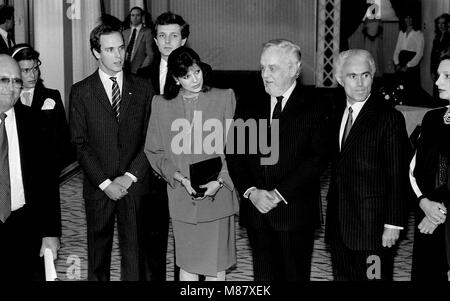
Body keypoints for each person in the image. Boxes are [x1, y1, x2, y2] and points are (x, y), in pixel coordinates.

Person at [226, 39, 330, 281]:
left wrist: (276, 194)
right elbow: (234, 152)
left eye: (272, 68)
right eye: (262, 68)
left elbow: (318, 159)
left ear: (294, 69)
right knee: (263, 278)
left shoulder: (317, 104)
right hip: (256, 212)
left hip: (294, 212)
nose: (265, 75)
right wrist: (251, 192)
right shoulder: (249, 102)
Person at [69, 24, 157, 281]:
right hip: (99, 187)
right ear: (96, 52)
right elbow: (79, 143)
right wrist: (106, 183)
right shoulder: (81, 91)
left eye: (121, 48)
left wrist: (130, 176)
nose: (119, 55)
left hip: (135, 184)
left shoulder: (143, 87)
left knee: (135, 258)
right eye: (110, 49)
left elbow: (150, 138)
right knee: (98, 257)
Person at [145, 46, 238, 281]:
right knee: (188, 265)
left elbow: (236, 148)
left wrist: (221, 180)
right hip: (182, 197)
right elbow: (154, 151)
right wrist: (180, 178)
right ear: (176, 79)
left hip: (217, 195)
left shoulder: (224, 96)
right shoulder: (160, 104)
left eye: (196, 72)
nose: (194, 79)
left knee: (216, 267)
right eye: (186, 76)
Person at [325, 49, 410, 281]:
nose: (361, 83)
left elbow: (398, 175)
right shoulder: (335, 114)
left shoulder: (389, 118)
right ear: (340, 79)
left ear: (373, 76)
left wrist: (393, 223)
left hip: (374, 230)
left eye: (366, 75)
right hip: (340, 227)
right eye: (353, 76)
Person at [0, 54, 61, 281]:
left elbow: (47, 182)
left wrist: (50, 232)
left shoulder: (34, 122)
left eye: (16, 80)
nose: (12, 87)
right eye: (4, 80)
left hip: (25, 226)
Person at [409, 53, 450, 281]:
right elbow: (414, 168)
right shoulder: (432, 118)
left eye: (447, 76)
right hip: (427, 215)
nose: (437, 83)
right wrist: (424, 202)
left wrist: (440, 213)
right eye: (438, 75)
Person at [10, 43, 73, 175]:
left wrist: (53, 168)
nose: (32, 75)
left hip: (46, 170)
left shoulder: (52, 96)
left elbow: (62, 136)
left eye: (35, 69)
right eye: (26, 71)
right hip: (17, 171)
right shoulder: (9, 100)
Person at [137, 11, 189, 94]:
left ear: (183, 41)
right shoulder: (142, 75)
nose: (167, 41)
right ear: (156, 41)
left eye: (174, 36)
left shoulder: (194, 74)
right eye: (162, 35)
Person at [392, 14, 424, 105]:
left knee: (411, 88)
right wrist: (396, 63)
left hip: (411, 62)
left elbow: (420, 53)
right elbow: (397, 49)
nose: (408, 19)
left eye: (410, 17)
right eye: (406, 17)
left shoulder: (418, 33)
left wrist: (408, 65)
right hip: (401, 60)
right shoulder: (401, 32)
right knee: (400, 86)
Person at [122, 7, 154, 74]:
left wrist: (142, 68)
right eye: (132, 15)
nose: (135, 18)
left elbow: (150, 54)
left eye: (138, 15)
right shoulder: (125, 32)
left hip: (138, 70)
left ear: (142, 17)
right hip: (124, 68)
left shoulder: (147, 32)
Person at [430, 13, 450, 101]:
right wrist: (432, 71)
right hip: (436, 68)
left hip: (445, 69)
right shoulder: (436, 37)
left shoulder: (449, 36)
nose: (440, 25)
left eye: (443, 23)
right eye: (439, 23)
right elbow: (432, 56)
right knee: (436, 92)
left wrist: (444, 54)